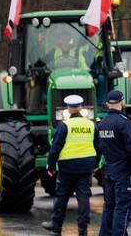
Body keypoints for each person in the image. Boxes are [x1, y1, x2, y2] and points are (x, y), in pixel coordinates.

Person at [42, 95, 99, 236]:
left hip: (67, 167)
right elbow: (99, 147)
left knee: (62, 196)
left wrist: (50, 165)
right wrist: (96, 164)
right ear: (80, 107)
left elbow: (55, 148)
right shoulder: (91, 125)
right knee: (83, 197)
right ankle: (83, 229)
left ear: (68, 109)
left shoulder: (64, 126)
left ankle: (56, 225)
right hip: (86, 167)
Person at [98, 90, 131, 236]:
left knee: (109, 207)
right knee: (122, 208)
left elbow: (100, 147)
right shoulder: (124, 122)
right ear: (122, 102)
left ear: (107, 104)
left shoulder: (102, 123)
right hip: (124, 173)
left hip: (109, 171)